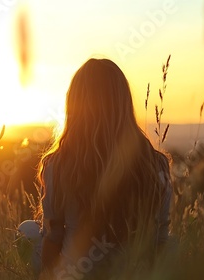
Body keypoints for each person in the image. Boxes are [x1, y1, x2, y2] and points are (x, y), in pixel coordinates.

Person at [17, 58, 172, 279]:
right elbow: (159, 241)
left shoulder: (58, 165)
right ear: (124, 104)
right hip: (130, 273)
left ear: (74, 106)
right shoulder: (155, 165)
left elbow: (53, 238)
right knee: (172, 242)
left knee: (27, 231)